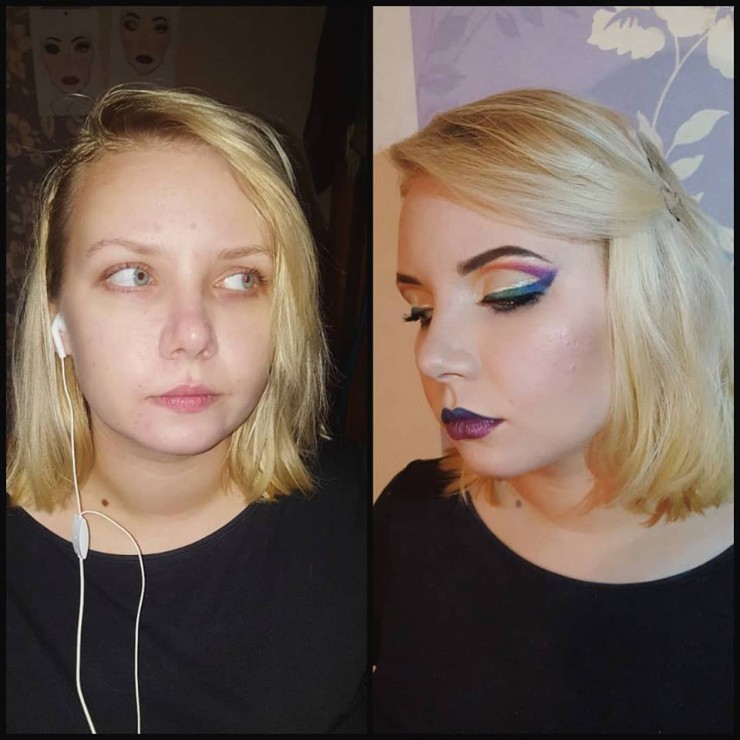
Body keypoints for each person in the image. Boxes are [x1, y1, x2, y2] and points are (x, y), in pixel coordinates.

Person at [6, 84, 367, 734]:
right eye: (133, 274)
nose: (193, 334)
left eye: (241, 279)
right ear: (58, 319)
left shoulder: (369, 524)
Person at [373, 88, 733, 734]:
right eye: (419, 310)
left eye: (508, 296)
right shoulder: (410, 518)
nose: (433, 356)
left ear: (649, 298)